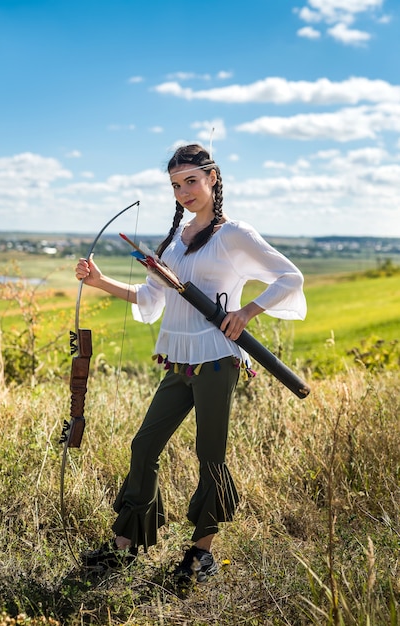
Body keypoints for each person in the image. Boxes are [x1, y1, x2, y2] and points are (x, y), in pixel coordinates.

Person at [75, 144, 307, 583]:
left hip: (218, 360)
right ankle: (126, 548)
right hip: (178, 362)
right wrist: (99, 280)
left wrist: (247, 312)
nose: (183, 192)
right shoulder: (174, 243)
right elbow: (149, 299)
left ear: (212, 178)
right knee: (144, 446)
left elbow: (290, 277)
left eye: (191, 182)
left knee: (210, 457)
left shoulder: (233, 234)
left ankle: (201, 553)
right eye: (175, 186)